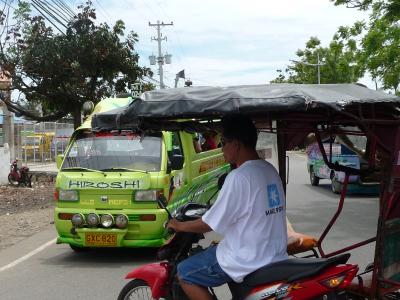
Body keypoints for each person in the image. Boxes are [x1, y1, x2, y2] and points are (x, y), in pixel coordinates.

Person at [167, 114, 288, 300]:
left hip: (246, 258)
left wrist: (179, 225)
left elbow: (209, 224)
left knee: (185, 273)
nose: (221, 148)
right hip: (272, 254)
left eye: (223, 143)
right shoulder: (269, 170)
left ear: (237, 144)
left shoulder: (239, 177)